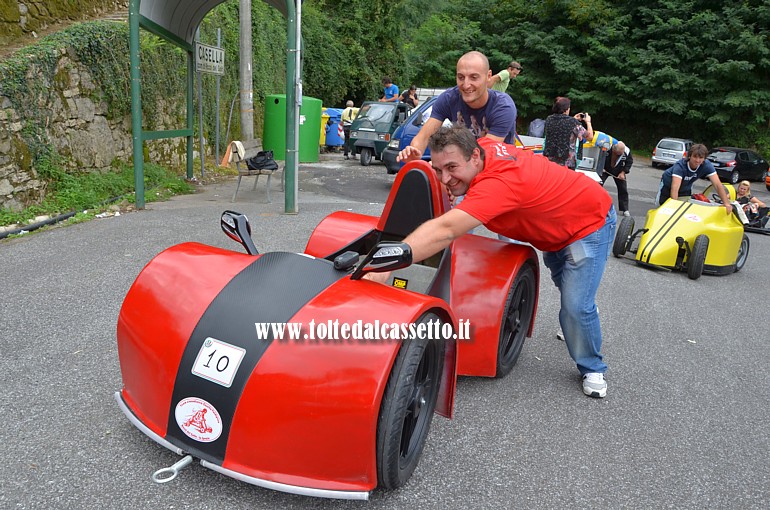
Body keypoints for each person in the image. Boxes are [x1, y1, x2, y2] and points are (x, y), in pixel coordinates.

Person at [377, 125, 616, 398]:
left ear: (475, 157)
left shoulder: (498, 185)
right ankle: (581, 318)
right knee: (569, 290)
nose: (445, 178)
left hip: (589, 224)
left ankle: (592, 367)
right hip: (556, 229)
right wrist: (452, 179)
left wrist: (388, 264)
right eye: (439, 169)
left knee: (575, 306)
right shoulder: (481, 149)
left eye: (452, 168)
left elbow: (446, 229)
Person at [397, 51, 517, 164]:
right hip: (466, 166)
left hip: (498, 168)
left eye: (474, 77)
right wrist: (413, 152)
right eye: (461, 77)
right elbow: (423, 137)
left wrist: (443, 165)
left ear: (488, 76)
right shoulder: (448, 99)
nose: (466, 85)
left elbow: (482, 155)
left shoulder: (503, 106)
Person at [656, 143, 732, 214]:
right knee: (662, 210)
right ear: (689, 156)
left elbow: (717, 185)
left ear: (704, 158)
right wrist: (674, 208)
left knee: (684, 211)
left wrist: (726, 204)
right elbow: (674, 189)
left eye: (701, 158)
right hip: (668, 186)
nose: (697, 160)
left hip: (686, 187)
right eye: (695, 157)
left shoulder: (707, 165)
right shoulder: (680, 167)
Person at [542, 97, 594, 170]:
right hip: (566, 163)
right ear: (566, 109)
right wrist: (588, 122)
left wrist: (573, 119)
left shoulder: (549, 119)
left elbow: (562, 126)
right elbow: (590, 137)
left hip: (549, 161)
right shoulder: (573, 123)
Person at [601, 141, 633, 216]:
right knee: (598, 184)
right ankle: (595, 204)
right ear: (613, 150)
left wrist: (623, 172)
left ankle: (625, 209)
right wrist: (600, 167)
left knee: (623, 188)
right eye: (619, 153)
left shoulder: (626, 151)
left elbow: (629, 162)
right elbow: (600, 157)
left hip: (619, 170)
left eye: (622, 153)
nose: (621, 154)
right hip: (605, 169)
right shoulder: (607, 147)